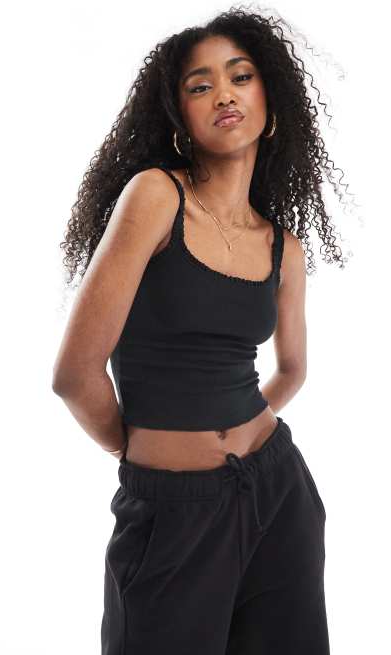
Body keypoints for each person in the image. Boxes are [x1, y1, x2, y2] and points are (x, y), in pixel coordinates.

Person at [53, 8, 353, 654]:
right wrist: (143, 454)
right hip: (172, 508)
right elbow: (74, 374)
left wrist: (236, 435)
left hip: (277, 492)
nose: (223, 94)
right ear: (178, 116)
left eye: (240, 77)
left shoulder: (284, 248)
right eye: (200, 84)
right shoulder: (155, 196)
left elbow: (292, 369)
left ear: (270, 103)